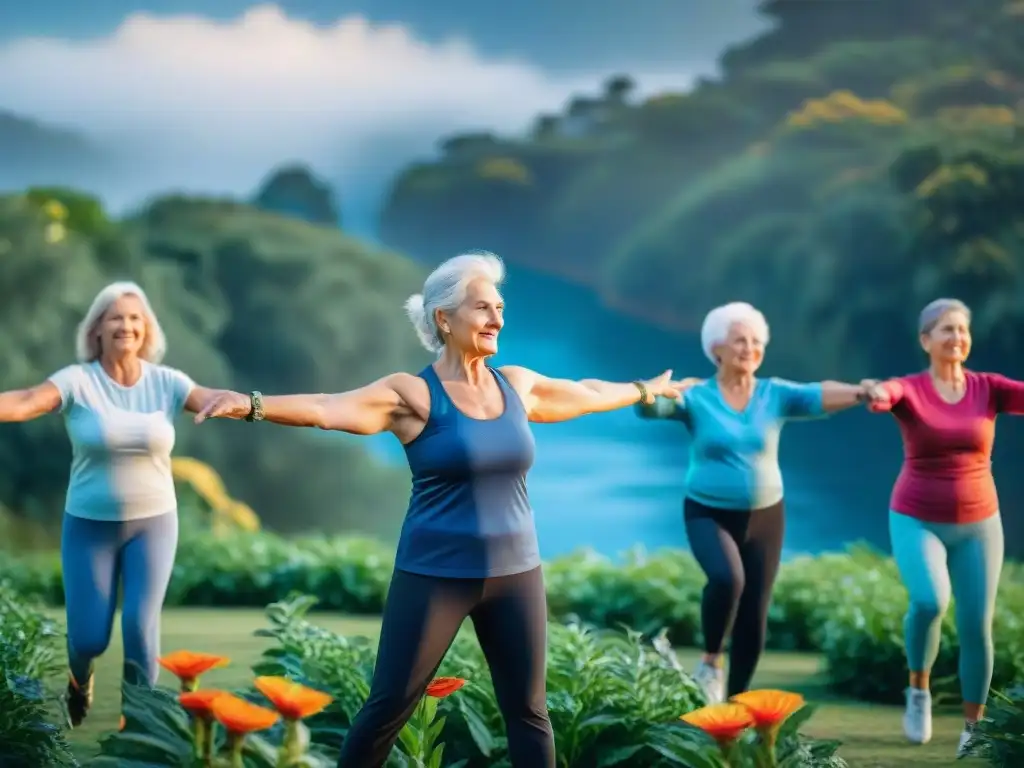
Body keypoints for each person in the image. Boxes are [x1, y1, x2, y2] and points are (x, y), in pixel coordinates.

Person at [193, 251, 681, 768]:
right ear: (443, 319)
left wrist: (646, 390)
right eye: (482, 308)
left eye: (499, 307)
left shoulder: (515, 385)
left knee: (530, 712)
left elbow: (585, 393)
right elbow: (325, 408)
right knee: (388, 709)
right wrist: (251, 404)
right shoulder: (412, 394)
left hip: (517, 574)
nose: (497, 319)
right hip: (434, 575)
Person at [0, 281, 229, 727]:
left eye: (135, 317)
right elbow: (27, 402)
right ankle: (78, 676)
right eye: (116, 317)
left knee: (141, 631)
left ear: (147, 329)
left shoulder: (168, 383)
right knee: (88, 638)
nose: (126, 325)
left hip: (154, 525)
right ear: (97, 330)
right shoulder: (78, 381)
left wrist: (244, 404)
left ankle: (138, 729)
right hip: (89, 526)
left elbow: (213, 399)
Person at [636, 301, 875, 705]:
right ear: (717, 349)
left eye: (755, 342)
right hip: (707, 512)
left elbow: (818, 394)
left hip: (767, 517)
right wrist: (649, 393)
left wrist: (862, 391)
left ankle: (736, 707)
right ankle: (711, 662)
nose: (749, 348)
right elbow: (652, 410)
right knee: (728, 580)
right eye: (739, 341)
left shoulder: (774, 394)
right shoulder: (697, 396)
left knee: (755, 612)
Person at [863, 298, 1023, 757]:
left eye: (962, 330)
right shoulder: (911, 388)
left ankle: (974, 728)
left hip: (980, 524)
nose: (957, 338)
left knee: (977, 626)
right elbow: (887, 394)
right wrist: (876, 394)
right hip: (917, 516)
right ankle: (918, 689)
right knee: (930, 601)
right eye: (946, 330)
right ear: (925, 340)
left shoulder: (988, 388)